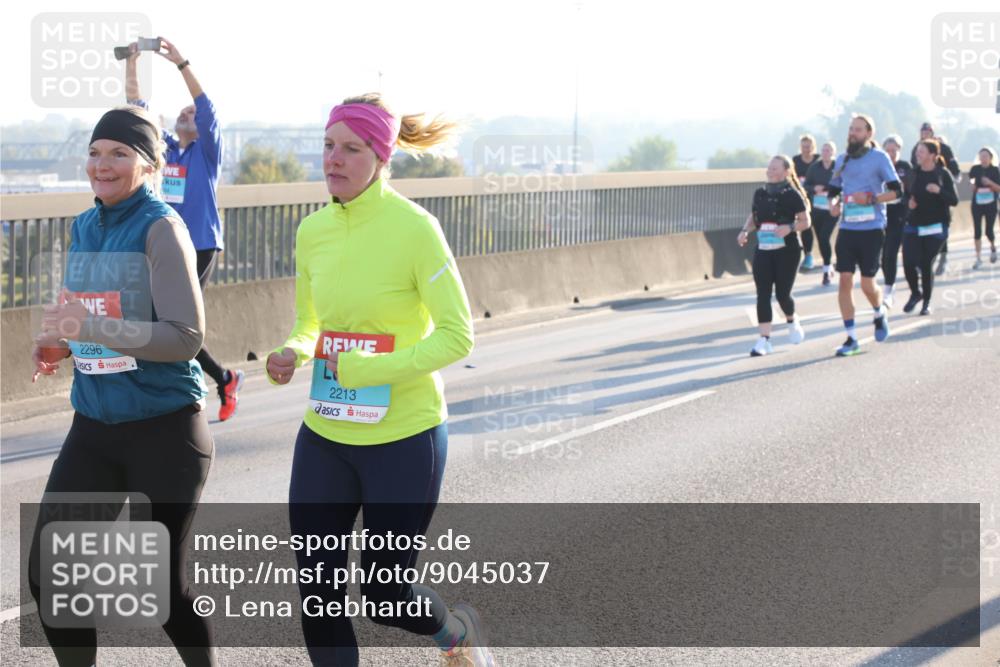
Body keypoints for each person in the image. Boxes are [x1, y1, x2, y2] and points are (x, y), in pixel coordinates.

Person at [266, 93, 494, 667]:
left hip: (403, 437)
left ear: (382, 156)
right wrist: (293, 350)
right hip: (325, 432)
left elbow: (457, 336)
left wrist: (370, 368)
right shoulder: (312, 230)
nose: (333, 159)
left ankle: (456, 635)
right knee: (318, 596)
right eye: (327, 146)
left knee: (386, 596)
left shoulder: (416, 229)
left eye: (351, 148)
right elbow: (310, 321)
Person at [28, 105, 217, 667]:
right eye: (94, 152)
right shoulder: (84, 225)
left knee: (164, 593)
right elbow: (87, 317)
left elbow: (184, 337)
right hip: (95, 428)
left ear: (147, 163)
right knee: (52, 577)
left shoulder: (162, 227)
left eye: (118, 154)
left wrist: (90, 327)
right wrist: (61, 344)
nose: (101, 165)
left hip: (165, 429)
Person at [125, 36, 244, 421]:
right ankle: (222, 378)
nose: (186, 113)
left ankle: (198, 384)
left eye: (192, 113)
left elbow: (207, 107)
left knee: (173, 322)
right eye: (183, 111)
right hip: (163, 242)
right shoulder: (165, 152)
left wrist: (180, 63)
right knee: (158, 319)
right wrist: (132, 61)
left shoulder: (206, 154)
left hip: (202, 243)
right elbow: (136, 112)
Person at [826, 114, 903, 357]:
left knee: (867, 284)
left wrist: (872, 198)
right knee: (845, 280)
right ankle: (851, 338)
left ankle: (879, 311)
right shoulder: (843, 159)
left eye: (858, 130)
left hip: (872, 228)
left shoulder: (879, 158)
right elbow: (834, 190)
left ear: (869, 134)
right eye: (851, 129)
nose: (853, 133)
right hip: (848, 227)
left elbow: (897, 191)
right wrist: (834, 204)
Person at [737, 155, 811, 356]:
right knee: (763, 293)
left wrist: (790, 227)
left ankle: (791, 318)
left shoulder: (792, 195)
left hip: (788, 251)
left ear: (786, 171)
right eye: (769, 167)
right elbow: (754, 216)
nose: (770, 171)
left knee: (782, 294)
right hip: (764, 249)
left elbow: (806, 222)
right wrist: (745, 231)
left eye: (775, 168)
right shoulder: (760, 193)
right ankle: (764, 340)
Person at [902, 139, 960, 315]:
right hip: (914, 225)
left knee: (926, 264)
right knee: (908, 262)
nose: (917, 155)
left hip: (936, 227)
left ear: (932, 155)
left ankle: (926, 302)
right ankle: (915, 293)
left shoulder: (943, 174)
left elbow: (954, 200)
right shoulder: (913, 174)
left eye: (921, 151)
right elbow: (904, 196)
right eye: (916, 151)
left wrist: (938, 191)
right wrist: (908, 203)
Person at [910, 122, 961, 275]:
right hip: (921, 205)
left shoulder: (943, 149)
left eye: (928, 130)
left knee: (939, 231)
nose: (925, 133)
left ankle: (942, 258)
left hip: (940, 200)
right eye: (922, 130)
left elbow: (955, 171)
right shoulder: (915, 149)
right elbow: (912, 174)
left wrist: (942, 187)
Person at [879, 135, 913, 308]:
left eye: (894, 150)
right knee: (883, 256)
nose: (891, 154)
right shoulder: (878, 167)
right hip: (881, 215)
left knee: (892, 253)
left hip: (900, 216)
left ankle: (889, 289)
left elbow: (911, 191)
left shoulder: (905, 167)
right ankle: (888, 285)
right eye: (888, 150)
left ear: (899, 150)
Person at [803, 140, 839, 286]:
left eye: (829, 150)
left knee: (825, 236)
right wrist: (814, 188)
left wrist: (836, 197)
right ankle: (828, 266)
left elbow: (845, 184)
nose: (825, 153)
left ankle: (826, 270)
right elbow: (806, 185)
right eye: (824, 150)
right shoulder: (814, 167)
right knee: (822, 239)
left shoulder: (838, 167)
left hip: (832, 209)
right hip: (817, 208)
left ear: (833, 153)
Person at [969, 147, 1000, 268]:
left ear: (991, 158)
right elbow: (970, 180)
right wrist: (972, 185)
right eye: (981, 156)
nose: (983, 159)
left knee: (989, 230)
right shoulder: (975, 169)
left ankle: (993, 247)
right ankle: (978, 258)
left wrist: (990, 183)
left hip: (991, 203)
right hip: (977, 203)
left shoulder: (995, 170)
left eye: (986, 156)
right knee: (977, 231)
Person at [793, 134, 820, 271]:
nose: (806, 149)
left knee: (819, 229)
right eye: (803, 146)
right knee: (806, 227)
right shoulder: (795, 161)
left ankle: (823, 258)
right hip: (801, 198)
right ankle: (808, 255)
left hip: (819, 199)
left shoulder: (818, 160)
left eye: (808, 146)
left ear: (813, 146)